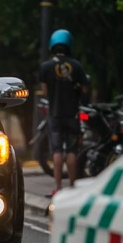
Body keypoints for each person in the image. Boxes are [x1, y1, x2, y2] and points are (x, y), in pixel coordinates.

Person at [39, 29, 89, 194]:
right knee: (72, 151)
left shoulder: (46, 67)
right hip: (72, 114)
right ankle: (73, 187)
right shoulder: (76, 66)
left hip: (55, 114)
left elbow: (44, 91)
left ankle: (58, 187)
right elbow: (85, 89)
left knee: (57, 151)